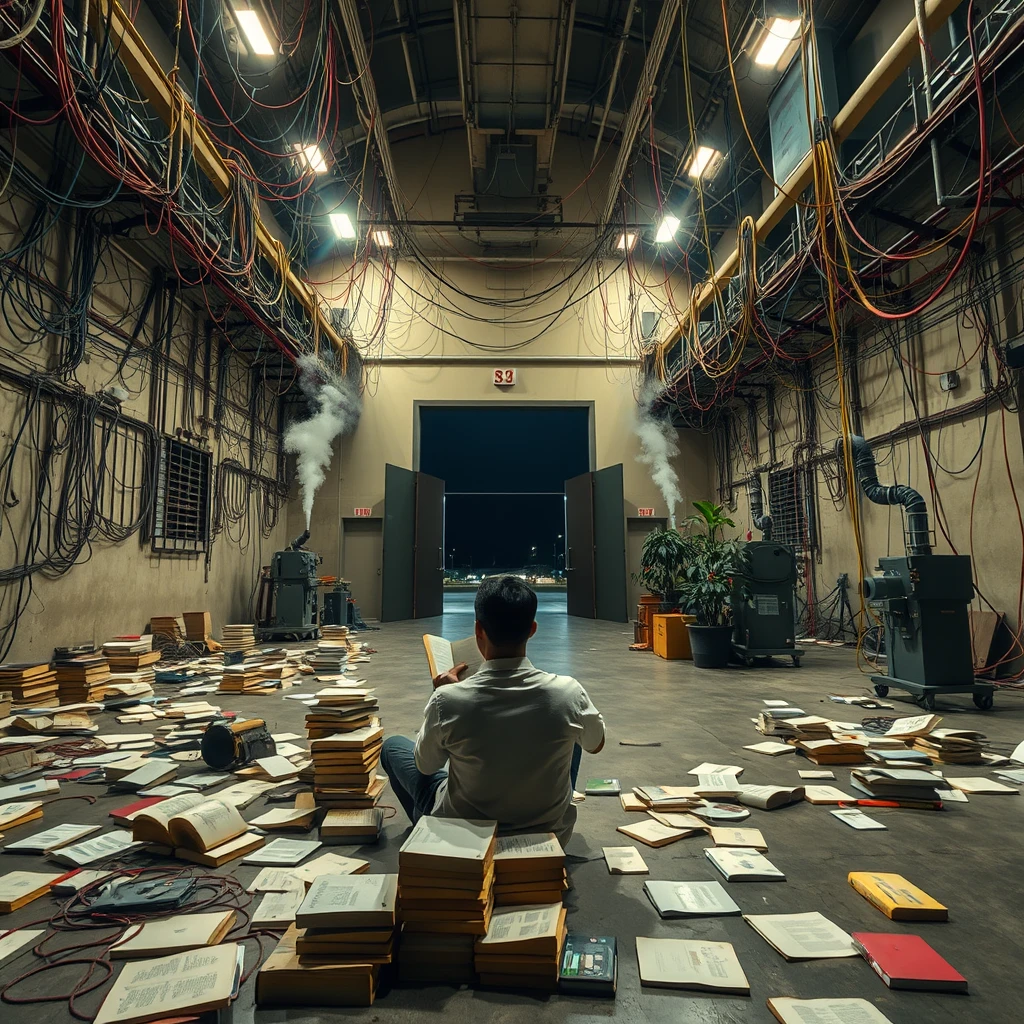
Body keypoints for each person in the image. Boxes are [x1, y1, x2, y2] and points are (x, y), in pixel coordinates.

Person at [380, 575, 605, 846]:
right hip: (548, 836)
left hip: (467, 837)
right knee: (573, 727)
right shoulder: (568, 693)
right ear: (532, 629)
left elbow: (425, 765)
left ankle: (427, 830)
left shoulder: (448, 699)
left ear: (478, 630)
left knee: (392, 747)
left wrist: (439, 694)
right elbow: (596, 743)